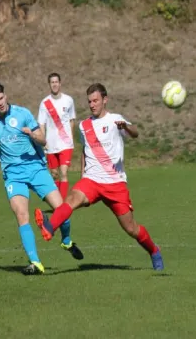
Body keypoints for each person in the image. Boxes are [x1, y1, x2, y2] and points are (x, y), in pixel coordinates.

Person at [33, 83, 164, 271]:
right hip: (92, 179)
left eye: (95, 100)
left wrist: (126, 127)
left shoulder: (115, 120)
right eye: (89, 101)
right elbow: (86, 152)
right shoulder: (84, 126)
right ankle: (50, 227)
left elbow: (135, 133)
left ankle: (153, 251)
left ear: (105, 100)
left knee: (131, 228)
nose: (92, 104)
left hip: (115, 183)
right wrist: (83, 175)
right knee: (72, 198)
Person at [0, 81, 84, 276]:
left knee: (62, 210)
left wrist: (33, 135)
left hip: (36, 168)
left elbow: (43, 139)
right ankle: (36, 263)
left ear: (5, 95)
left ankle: (66, 241)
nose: (0, 103)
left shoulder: (23, 113)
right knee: (21, 215)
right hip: (13, 175)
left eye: (1, 98)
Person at [37, 73, 76, 201]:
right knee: (54, 175)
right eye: (52, 82)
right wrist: (43, 141)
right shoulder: (44, 103)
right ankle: (58, 201)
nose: (54, 84)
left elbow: (72, 120)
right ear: (49, 84)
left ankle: (62, 205)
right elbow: (41, 124)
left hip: (65, 144)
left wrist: (69, 137)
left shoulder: (68, 100)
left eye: (56, 82)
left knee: (64, 173)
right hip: (51, 144)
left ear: (60, 83)